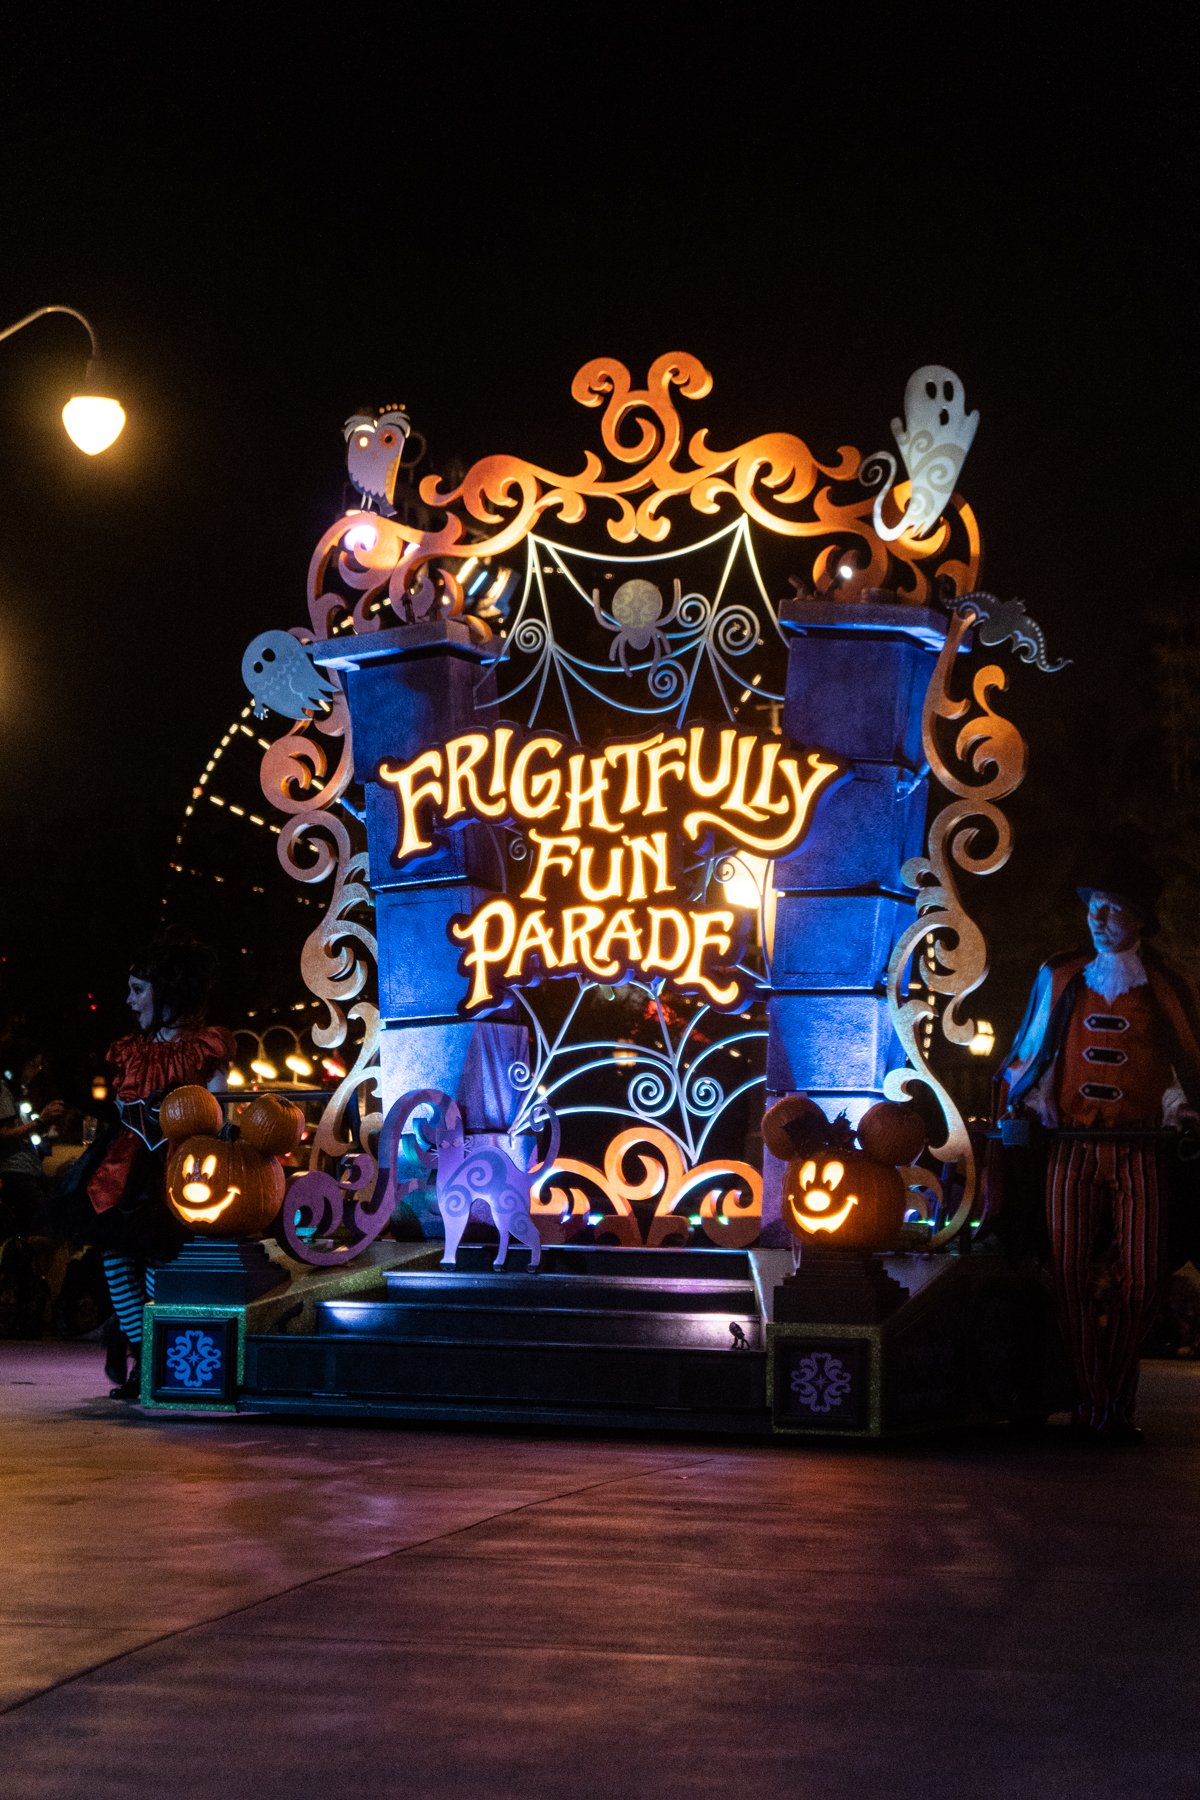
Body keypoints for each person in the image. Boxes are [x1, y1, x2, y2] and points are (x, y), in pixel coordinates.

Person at [998, 857, 1200, 1441]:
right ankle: (1098, 1404)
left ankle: (1109, 1397)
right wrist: (1033, 1097)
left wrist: (1180, 1107)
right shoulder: (1061, 975)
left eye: (1112, 908)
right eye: (1093, 907)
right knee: (1067, 1276)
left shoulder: (1167, 984)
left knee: (1143, 1279)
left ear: (1139, 918)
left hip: (1141, 1150)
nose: (1098, 918)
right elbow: (1030, 1050)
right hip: (1072, 1149)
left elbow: (1186, 1063)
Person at [56, 932, 235, 1399]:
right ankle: (140, 1350)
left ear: (169, 992)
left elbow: (219, 1113)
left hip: (178, 1167)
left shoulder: (204, 1048)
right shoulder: (130, 1050)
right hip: (125, 1166)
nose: (129, 1000)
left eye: (138, 990)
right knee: (115, 1256)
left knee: (158, 1256)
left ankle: (154, 1356)